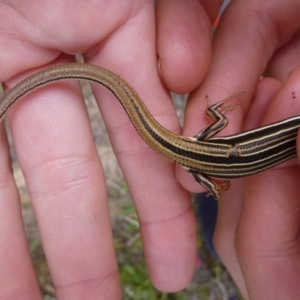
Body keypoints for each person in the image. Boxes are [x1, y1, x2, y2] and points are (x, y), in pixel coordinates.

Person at [1, 1, 300, 299]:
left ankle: (211, 216)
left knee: (219, 191)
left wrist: (218, 119)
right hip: (215, 160)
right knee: (216, 193)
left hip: (217, 154)